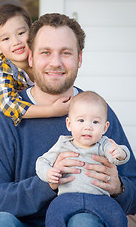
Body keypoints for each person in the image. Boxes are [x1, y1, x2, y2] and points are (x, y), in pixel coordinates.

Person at [0, 13, 136, 227]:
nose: (55, 62)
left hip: (82, 218)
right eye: (45, 52)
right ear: (31, 57)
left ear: (79, 58)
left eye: (65, 53)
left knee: (83, 222)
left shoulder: (97, 113)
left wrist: (119, 187)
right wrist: (50, 180)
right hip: (20, 223)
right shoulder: (5, 118)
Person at [36, 91, 131, 226]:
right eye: (81, 120)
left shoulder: (104, 144)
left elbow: (118, 157)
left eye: (95, 122)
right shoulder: (63, 144)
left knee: (118, 216)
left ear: (105, 127)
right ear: (69, 124)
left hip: (100, 197)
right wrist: (48, 173)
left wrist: (120, 153)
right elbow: (42, 161)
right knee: (53, 213)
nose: (88, 127)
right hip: (67, 197)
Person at [0, 4, 69, 126]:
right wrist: (52, 111)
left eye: (21, 33)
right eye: (5, 39)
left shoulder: (43, 53)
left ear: (32, 32)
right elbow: (7, 103)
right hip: (31, 120)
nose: (16, 42)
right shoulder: (3, 67)